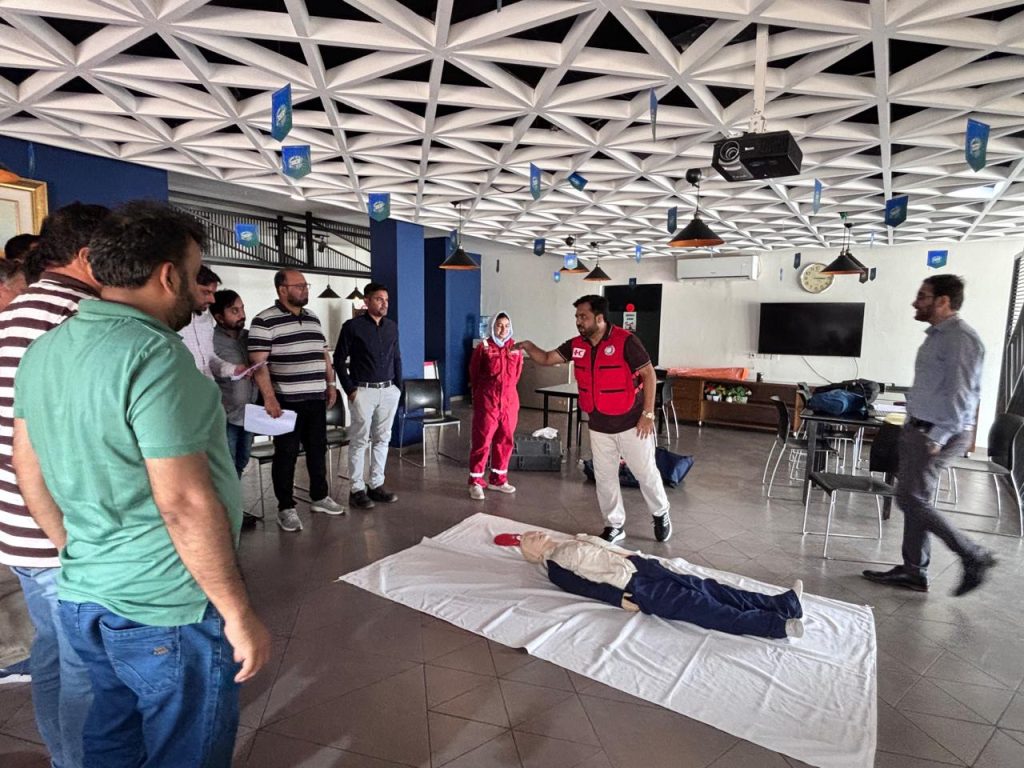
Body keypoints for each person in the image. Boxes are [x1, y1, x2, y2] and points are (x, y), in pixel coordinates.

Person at [12, 201, 270, 767]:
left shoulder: (45, 351)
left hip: (85, 590)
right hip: (166, 605)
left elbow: (28, 471)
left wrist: (81, 552)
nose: (199, 293)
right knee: (185, 747)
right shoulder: (157, 357)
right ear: (167, 275)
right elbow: (183, 501)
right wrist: (236, 611)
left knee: (112, 732)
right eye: (195, 275)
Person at [0, 202, 108, 768]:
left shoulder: (17, 310)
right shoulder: (75, 315)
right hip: (60, 529)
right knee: (84, 666)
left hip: (18, 525)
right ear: (89, 256)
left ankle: (66, 756)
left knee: (53, 654)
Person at [863, 275, 996, 597]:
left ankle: (972, 554)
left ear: (943, 301)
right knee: (914, 501)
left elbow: (963, 394)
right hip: (920, 428)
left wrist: (938, 436)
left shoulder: (960, 338)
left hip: (935, 434)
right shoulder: (938, 336)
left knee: (910, 499)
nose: (915, 302)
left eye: (922, 296)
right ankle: (913, 571)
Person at [518, 295, 671, 544]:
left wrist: (648, 414)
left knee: (645, 473)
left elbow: (649, 374)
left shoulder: (626, 341)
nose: (578, 321)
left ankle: (661, 512)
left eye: (583, 316)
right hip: (599, 426)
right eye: (577, 317)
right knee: (605, 477)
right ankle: (614, 525)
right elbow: (546, 358)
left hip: (633, 424)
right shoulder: (576, 345)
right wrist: (527, 345)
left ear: (599, 318)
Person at [517, 531, 804, 639]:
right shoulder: (556, 567)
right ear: (532, 554)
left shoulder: (573, 540)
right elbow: (584, 587)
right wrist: (617, 599)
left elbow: (609, 548)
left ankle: (784, 603)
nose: (535, 534)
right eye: (530, 539)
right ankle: (776, 626)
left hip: (644, 568)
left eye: (532, 533)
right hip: (634, 586)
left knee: (712, 589)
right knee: (705, 608)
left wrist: (639, 559)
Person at [249, 269, 344, 531]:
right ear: (282, 289)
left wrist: (331, 384)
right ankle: (286, 508)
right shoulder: (264, 321)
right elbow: (258, 365)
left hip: (315, 398)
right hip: (286, 401)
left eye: (305, 285)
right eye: (299, 286)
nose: (305, 289)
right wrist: (269, 398)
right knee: (286, 454)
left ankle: (320, 497)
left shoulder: (312, 318)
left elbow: (324, 355)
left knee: (317, 450)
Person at [334, 282, 401, 510]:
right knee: (360, 440)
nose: (384, 304)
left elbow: (396, 357)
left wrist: (398, 388)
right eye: (379, 299)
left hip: (389, 390)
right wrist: (350, 390)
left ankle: (376, 484)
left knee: (383, 439)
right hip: (362, 391)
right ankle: (357, 489)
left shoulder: (391, 327)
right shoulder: (352, 327)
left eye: (386, 300)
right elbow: (338, 360)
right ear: (367, 301)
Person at [467, 311, 523, 499]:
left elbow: (517, 375)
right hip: (488, 401)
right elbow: (474, 374)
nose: (503, 329)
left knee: (505, 440)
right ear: (492, 326)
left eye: (506, 326)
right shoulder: (483, 348)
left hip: (509, 402)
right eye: (499, 325)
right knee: (482, 441)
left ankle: (498, 480)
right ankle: (476, 482)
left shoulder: (515, 348)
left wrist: (507, 395)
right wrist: (480, 397)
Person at [211, 289, 258, 479]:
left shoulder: (250, 337)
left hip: (250, 413)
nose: (242, 315)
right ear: (219, 317)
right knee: (227, 465)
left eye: (242, 309)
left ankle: (235, 496)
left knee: (242, 461)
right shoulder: (211, 341)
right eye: (234, 311)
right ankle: (231, 498)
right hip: (226, 416)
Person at [179, 265, 238, 380]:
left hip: (207, 387)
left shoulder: (205, 321)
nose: (213, 300)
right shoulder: (168, 323)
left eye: (213, 293)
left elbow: (209, 359)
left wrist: (233, 370)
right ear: (187, 288)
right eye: (206, 292)